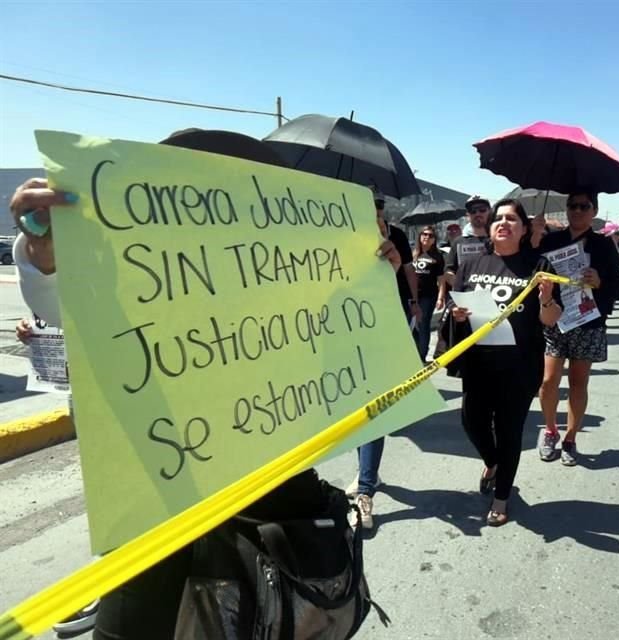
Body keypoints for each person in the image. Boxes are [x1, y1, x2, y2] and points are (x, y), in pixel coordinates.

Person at [8, 130, 407, 640]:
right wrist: (44, 255)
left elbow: (364, 364)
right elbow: (59, 307)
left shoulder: (293, 274)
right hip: (159, 521)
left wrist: (377, 279)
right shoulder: (134, 263)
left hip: (277, 512)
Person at [451, 199, 561, 526]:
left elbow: (552, 319)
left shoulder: (538, 266)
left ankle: (501, 497)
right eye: (499, 218)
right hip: (478, 364)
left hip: (520, 367)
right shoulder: (472, 265)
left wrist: (545, 297)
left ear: (524, 229)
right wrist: (457, 315)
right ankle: (493, 462)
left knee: (510, 431)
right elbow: (457, 311)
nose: (503, 223)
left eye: (512, 219)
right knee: (472, 421)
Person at [346, 192, 418, 529]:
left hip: (383, 334)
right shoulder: (342, 243)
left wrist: (414, 300)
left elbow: (403, 275)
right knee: (353, 412)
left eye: (377, 211)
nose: (373, 217)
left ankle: (365, 491)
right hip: (344, 337)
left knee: (373, 411)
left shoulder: (395, 241)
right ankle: (365, 473)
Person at [536, 191, 619, 466]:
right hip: (555, 318)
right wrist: (533, 237)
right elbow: (533, 270)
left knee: (578, 382)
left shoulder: (604, 246)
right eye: (572, 205)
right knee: (549, 381)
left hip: (587, 322)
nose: (576, 210)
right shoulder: (551, 240)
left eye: (583, 206)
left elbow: (618, 289)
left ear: (594, 211)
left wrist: (599, 281)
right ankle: (550, 430)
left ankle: (570, 438)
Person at [412, 225, 444, 362]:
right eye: (424, 234)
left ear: (434, 240)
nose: (426, 237)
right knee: (412, 325)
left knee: (423, 324)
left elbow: (441, 279)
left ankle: (422, 355)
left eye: (430, 235)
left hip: (428, 296)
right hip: (412, 296)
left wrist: (440, 297)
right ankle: (413, 353)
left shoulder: (438, 256)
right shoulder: (412, 253)